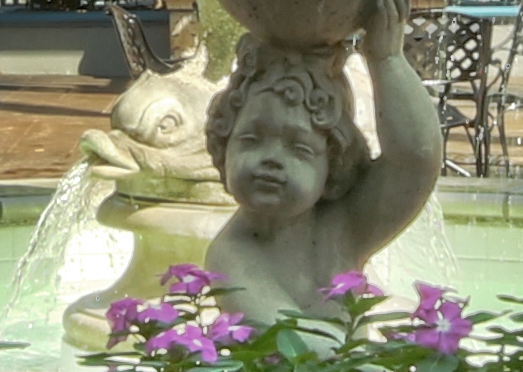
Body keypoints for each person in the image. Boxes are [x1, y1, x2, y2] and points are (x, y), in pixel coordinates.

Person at [191, 29, 447, 325]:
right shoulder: (233, 254)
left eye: (299, 148)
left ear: (332, 162)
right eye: (251, 140)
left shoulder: (343, 224)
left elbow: (417, 158)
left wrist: (386, 59)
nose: (271, 158)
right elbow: (295, 341)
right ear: (224, 146)